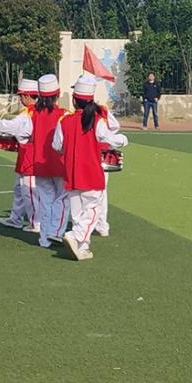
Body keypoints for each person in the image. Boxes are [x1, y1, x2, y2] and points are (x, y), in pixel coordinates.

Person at [53, 76, 128, 261]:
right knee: (93, 210)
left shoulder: (64, 121)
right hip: (91, 172)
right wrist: (123, 140)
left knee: (78, 214)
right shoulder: (97, 120)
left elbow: (56, 145)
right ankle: (76, 236)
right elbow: (111, 139)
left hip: (71, 172)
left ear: (74, 100)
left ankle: (82, 248)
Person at [0, 78, 40, 233]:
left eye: (21, 96)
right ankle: (15, 218)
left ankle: (36, 222)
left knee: (29, 190)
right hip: (27, 153)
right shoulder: (38, 110)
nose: (20, 99)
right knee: (20, 189)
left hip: (31, 155)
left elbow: (13, 127)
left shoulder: (29, 112)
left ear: (26, 96)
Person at [30, 74, 68, 248]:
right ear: (57, 94)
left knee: (45, 201)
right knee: (62, 198)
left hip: (39, 163)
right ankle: (56, 232)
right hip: (59, 163)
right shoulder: (63, 115)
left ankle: (44, 238)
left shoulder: (32, 113)